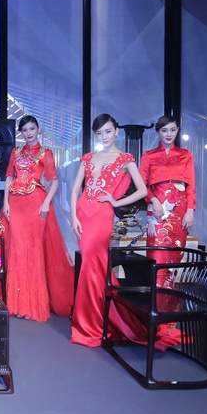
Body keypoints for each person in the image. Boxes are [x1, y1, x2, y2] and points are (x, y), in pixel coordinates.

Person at [70, 114, 177, 349]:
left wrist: (116, 202)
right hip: (82, 214)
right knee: (95, 267)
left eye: (108, 131)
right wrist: (73, 216)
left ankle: (89, 325)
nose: (104, 136)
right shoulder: (88, 157)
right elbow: (76, 188)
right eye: (99, 133)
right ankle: (102, 318)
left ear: (116, 131)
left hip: (102, 217)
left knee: (91, 265)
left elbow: (142, 190)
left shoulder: (125, 159)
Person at [1, 115, 73, 321]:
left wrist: (45, 203)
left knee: (33, 251)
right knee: (16, 250)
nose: (29, 133)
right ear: (21, 133)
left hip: (35, 204)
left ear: (38, 129)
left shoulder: (45, 153)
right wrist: (5, 202)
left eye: (32, 128)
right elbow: (9, 177)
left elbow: (54, 182)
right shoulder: (15, 152)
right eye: (25, 130)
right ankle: (16, 304)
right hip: (15, 204)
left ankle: (32, 306)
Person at [139, 115, 196, 289]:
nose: (169, 134)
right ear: (158, 132)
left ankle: (170, 297)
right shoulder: (148, 156)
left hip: (180, 210)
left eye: (173, 130)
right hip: (157, 210)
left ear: (177, 130)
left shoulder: (186, 155)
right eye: (164, 130)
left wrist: (190, 210)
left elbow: (191, 186)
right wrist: (153, 200)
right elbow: (141, 185)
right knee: (157, 255)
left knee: (175, 254)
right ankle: (157, 298)